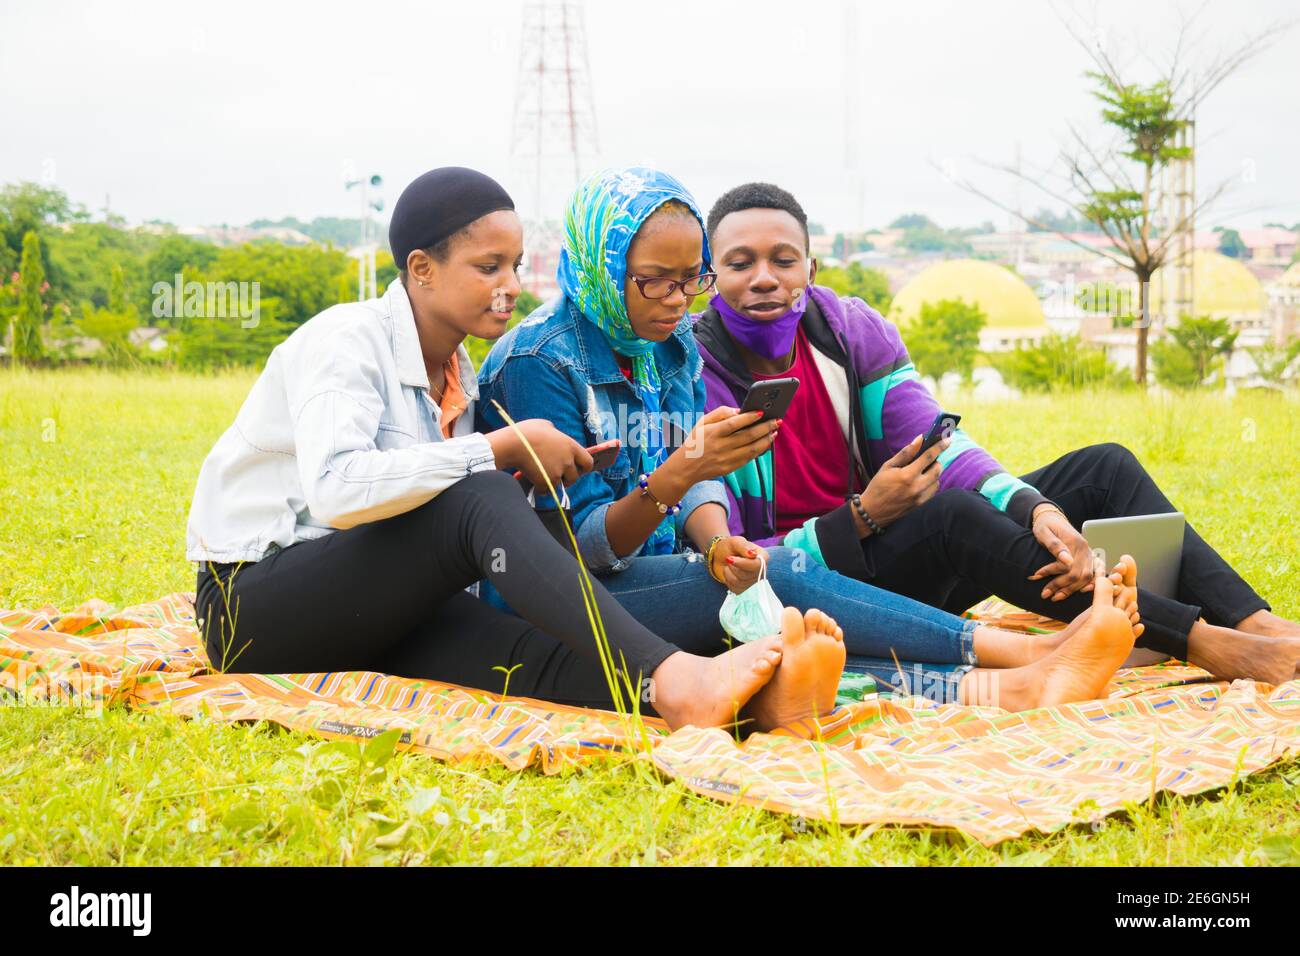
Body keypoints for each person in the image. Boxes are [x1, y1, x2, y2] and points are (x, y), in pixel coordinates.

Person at [186, 165, 855, 736]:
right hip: (252, 606)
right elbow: (336, 487)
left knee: (519, 654)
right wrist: (497, 448)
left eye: (514, 265)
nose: (510, 285)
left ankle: (742, 707)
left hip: (362, 599)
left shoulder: (459, 373)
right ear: (421, 269)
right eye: (487, 267)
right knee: (482, 492)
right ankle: (678, 678)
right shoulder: (346, 340)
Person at [478, 166, 1143, 715]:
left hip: (657, 573)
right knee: (784, 578)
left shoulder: (667, 348)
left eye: (692, 279)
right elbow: (574, 550)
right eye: (657, 280)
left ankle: (1012, 689)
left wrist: (713, 543)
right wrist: (677, 481)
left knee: (792, 636)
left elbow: (695, 480)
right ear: (601, 265)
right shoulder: (542, 365)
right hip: (567, 598)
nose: (680, 301)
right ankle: (1021, 653)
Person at [692, 180, 1300, 685]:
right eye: (740, 263)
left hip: (904, 552)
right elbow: (737, 563)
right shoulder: (694, 372)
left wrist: (1036, 511)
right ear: (711, 276)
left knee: (1102, 469)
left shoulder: (848, 329)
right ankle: (1202, 642)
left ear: (811, 268)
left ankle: (1249, 621)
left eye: (783, 259)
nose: (765, 278)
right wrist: (859, 518)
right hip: (816, 594)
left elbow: (936, 442)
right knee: (952, 514)